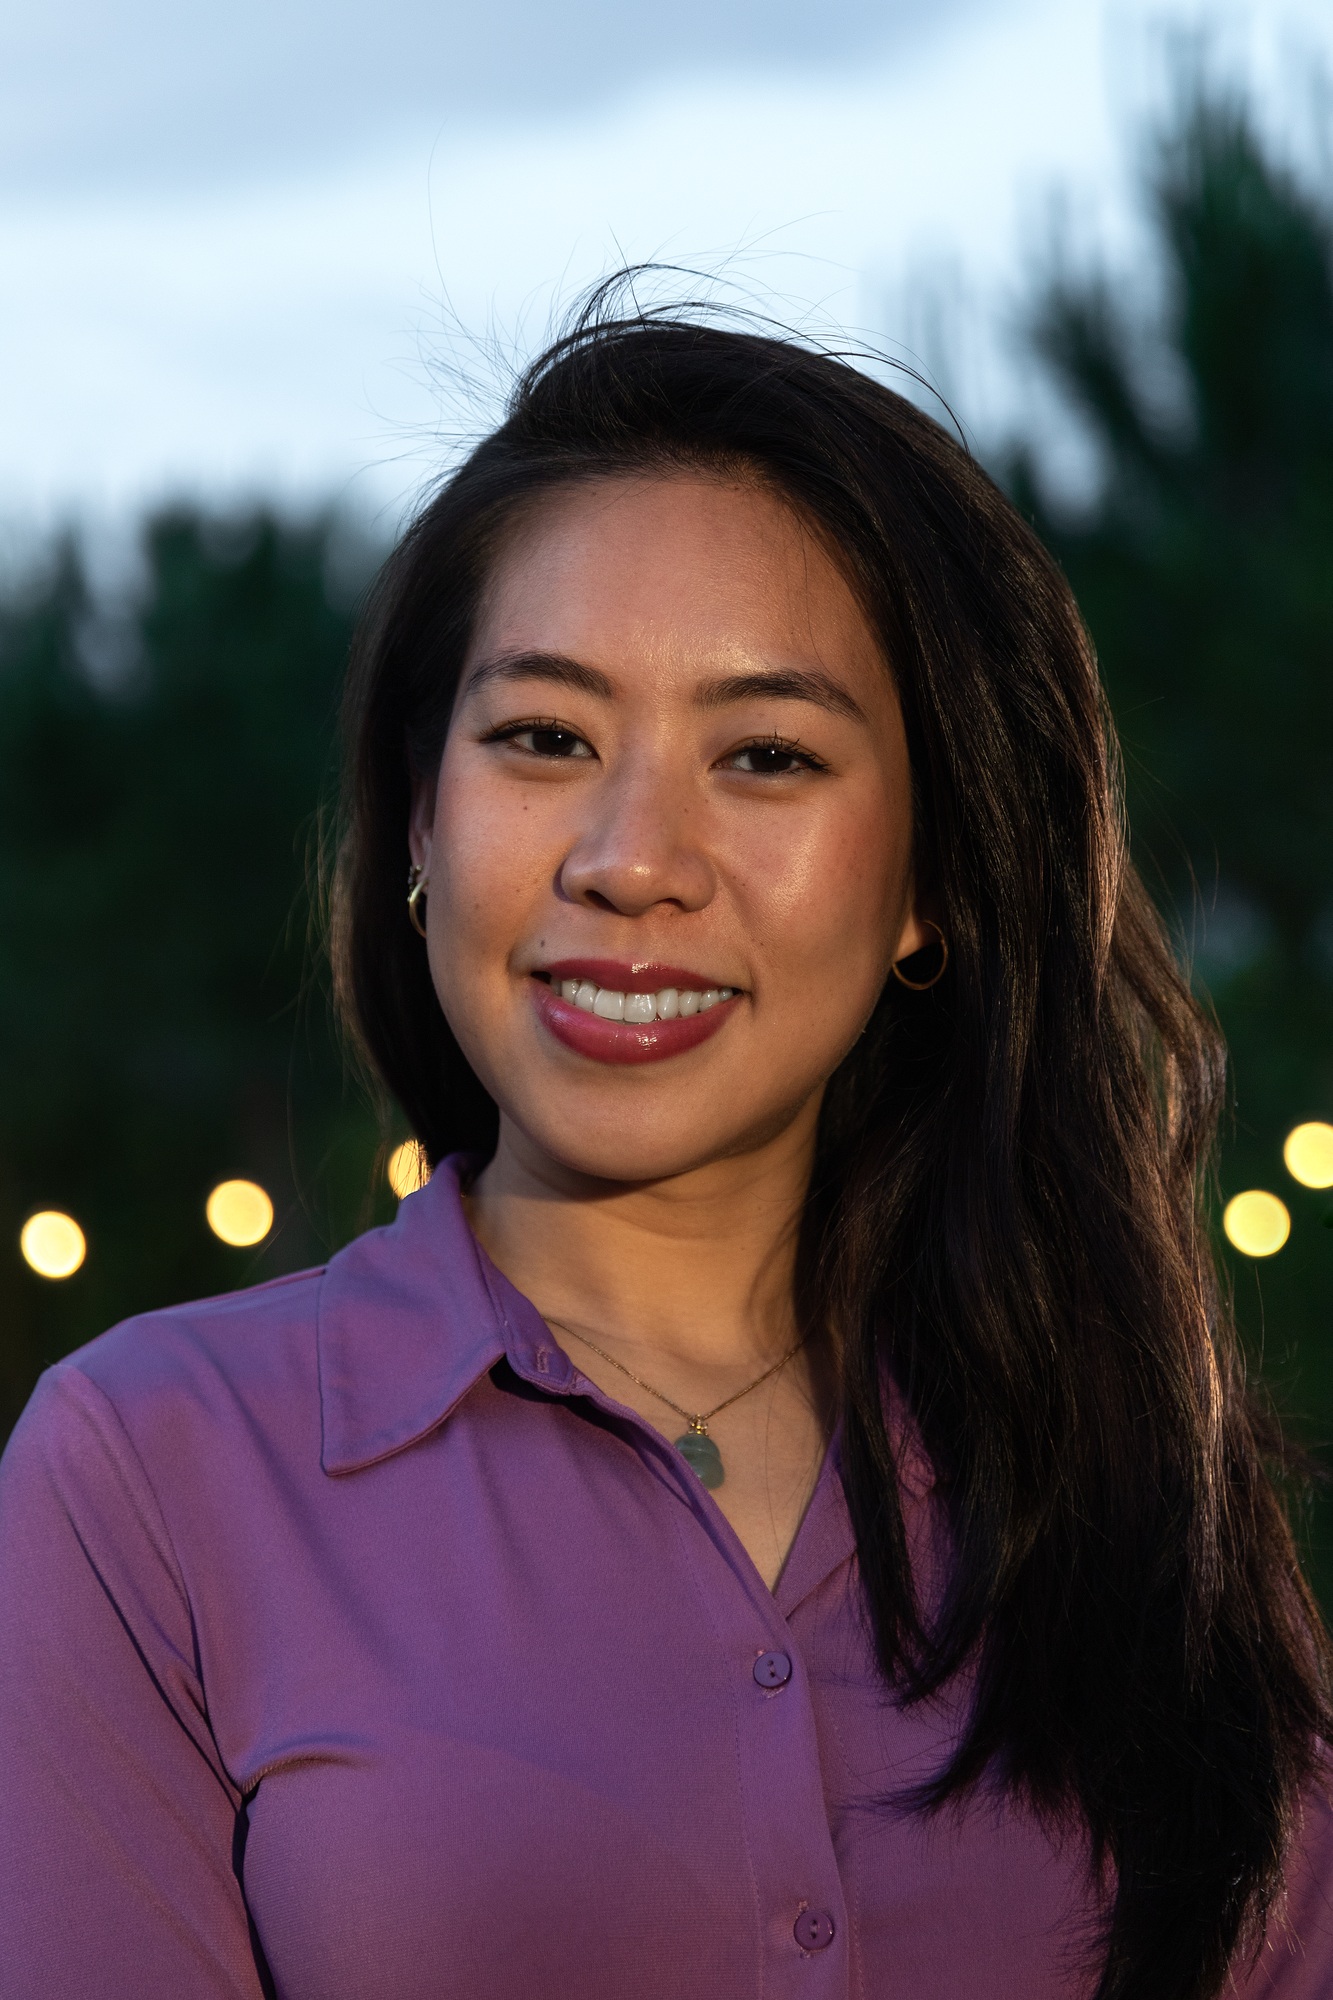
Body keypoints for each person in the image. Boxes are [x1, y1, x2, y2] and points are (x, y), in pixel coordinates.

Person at [1, 299, 1330, 2000]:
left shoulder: (1142, 1476)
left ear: (931, 874)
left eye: (766, 756)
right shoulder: (150, 1478)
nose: (632, 862)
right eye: (544, 738)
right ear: (421, 813)